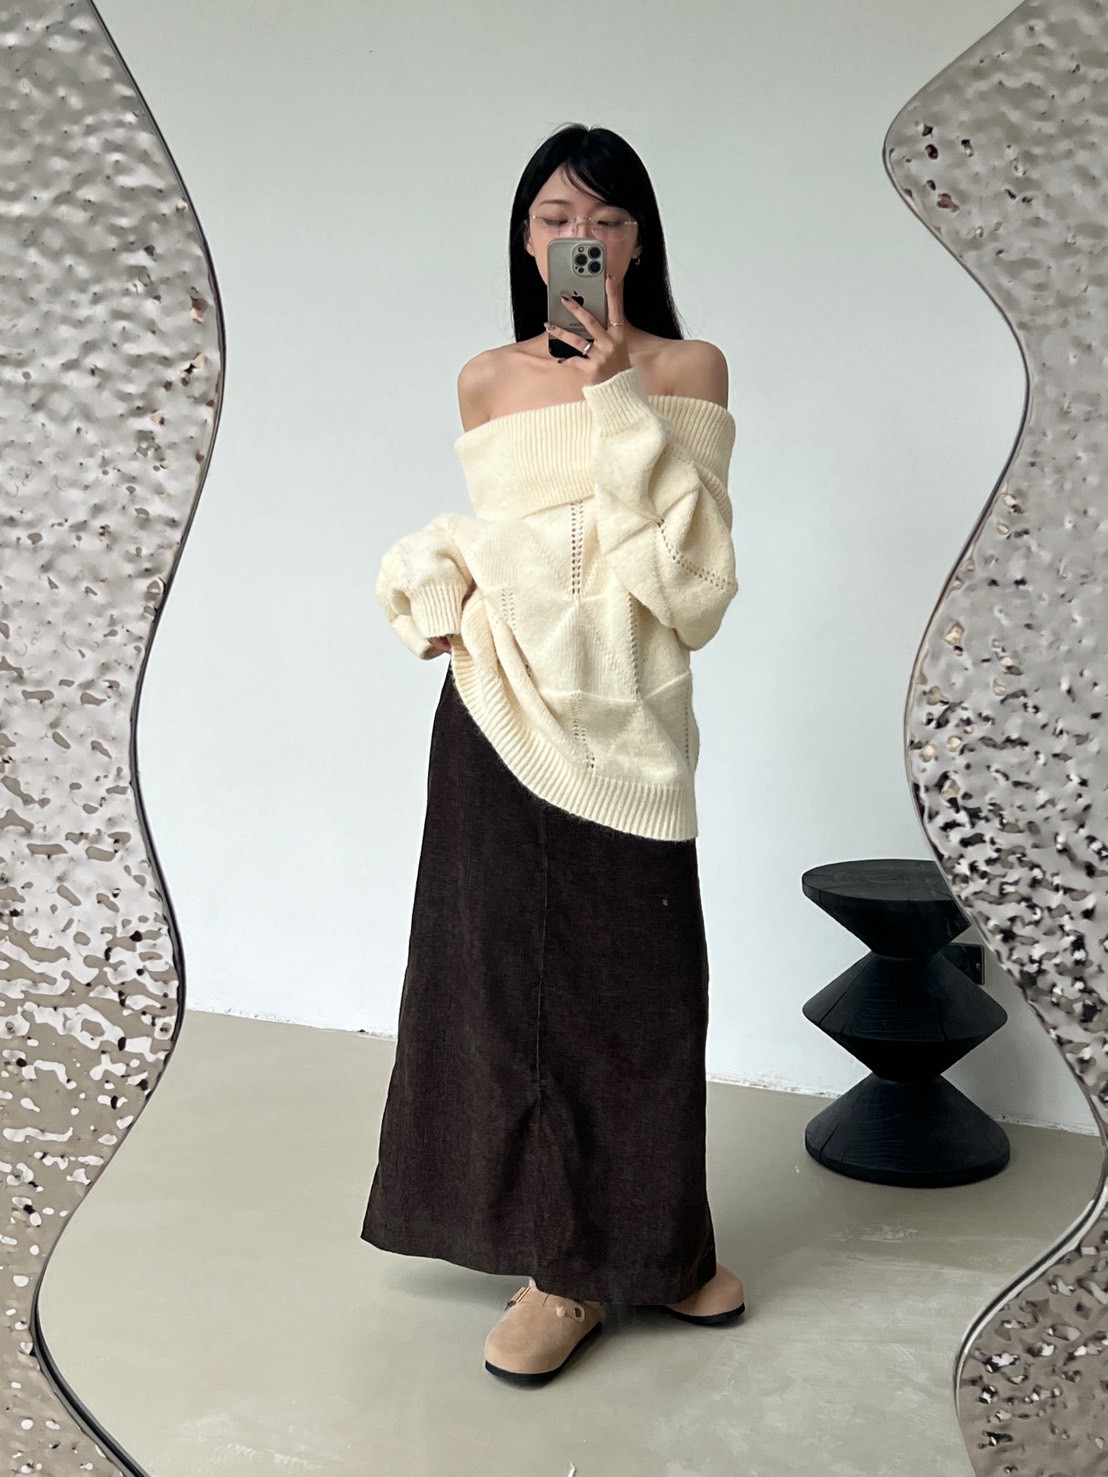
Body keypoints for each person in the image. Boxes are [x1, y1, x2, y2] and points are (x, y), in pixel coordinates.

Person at [364, 122, 746, 1386]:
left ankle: (661, 1247)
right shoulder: (483, 379)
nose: (579, 239)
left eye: (605, 220)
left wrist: (614, 389)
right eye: (554, 219)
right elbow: (510, 545)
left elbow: (685, 584)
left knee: (646, 994)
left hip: (632, 716)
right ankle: (562, 1270)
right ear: (524, 242)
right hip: (501, 711)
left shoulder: (689, 368)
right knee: (513, 992)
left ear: (639, 239)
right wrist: (445, 595)